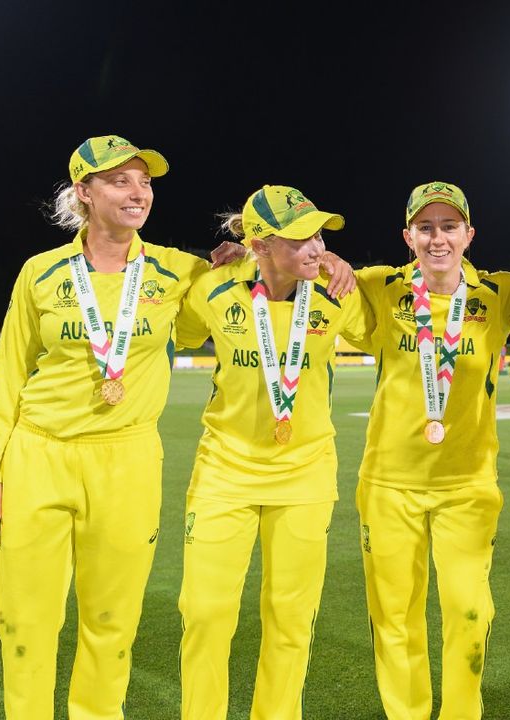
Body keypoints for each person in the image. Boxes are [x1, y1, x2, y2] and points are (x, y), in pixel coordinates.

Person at [0, 135, 213, 719]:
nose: (137, 192)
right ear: (84, 192)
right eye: (120, 181)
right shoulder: (41, 272)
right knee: (26, 617)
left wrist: (290, 262)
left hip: (126, 461)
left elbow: (237, 307)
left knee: (111, 617)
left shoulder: (180, 271)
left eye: (145, 182)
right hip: (38, 456)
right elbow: (9, 378)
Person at [174, 185, 369, 719]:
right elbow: (185, 333)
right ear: (259, 245)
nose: (316, 246)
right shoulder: (213, 290)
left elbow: (388, 326)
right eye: (299, 238)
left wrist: (343, 269)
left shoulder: (337, 291)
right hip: (225, 471)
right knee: (206, 613)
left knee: (290, 619)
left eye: (319, 234)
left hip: (305, 472)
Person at [352, 181, 510, 719]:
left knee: (469, 611)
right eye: (425, 227)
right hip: (389, 482)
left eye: (449, 227)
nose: (437, 238)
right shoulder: (380, 286)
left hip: (467, 485)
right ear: (408, 236)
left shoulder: (502, 292)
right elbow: (301, 268)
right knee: (395, 617)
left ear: (469, 235)